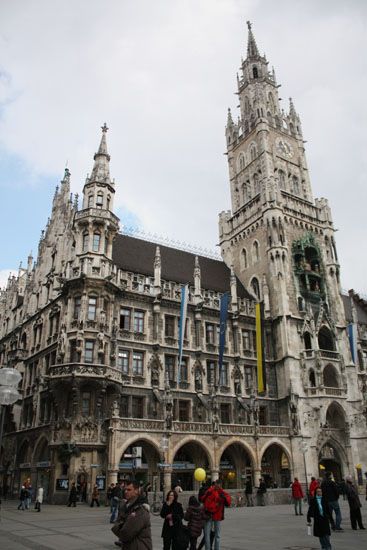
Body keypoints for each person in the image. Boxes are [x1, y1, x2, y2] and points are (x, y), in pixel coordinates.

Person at [112, 479, 152, 550]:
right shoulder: (128, 506)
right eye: (125, 489)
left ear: (136, 491)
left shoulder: (140, 509)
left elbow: (125, 534)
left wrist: (117, 527)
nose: (126, 492)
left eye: (129, 490)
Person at [201, 479, 231, 550]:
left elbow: (202, 499)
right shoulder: (221, 492)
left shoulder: (210, 491)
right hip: (217, 515)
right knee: (217, 535)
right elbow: (228, 502)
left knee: (207, 534)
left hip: (209, 514)